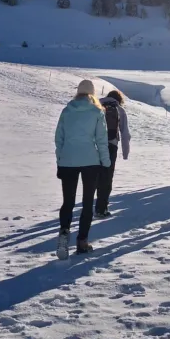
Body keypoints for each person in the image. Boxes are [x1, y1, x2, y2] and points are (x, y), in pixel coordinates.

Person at [55, 80, 111, 259]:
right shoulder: (97, 112)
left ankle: (64, 235)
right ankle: (82, 242)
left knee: (68, 201)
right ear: (93, 93)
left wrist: (60, 159)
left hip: (68, 160)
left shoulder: (66, 111)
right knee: (87, 202)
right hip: (90, 161)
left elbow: (59, 139)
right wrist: (106, 162)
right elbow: (101, 140)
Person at [94, 89, 130, 218]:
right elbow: (125, 134)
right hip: (111, 146)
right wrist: (125, 153)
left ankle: (88, 207)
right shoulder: (119, 110)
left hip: (95, 146)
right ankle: (101, 209)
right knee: (107, 177)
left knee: (93, 177)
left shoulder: (96, 106)